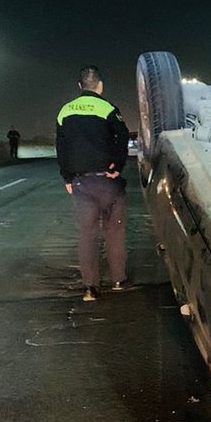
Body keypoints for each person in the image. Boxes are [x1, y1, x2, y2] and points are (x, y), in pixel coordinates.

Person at [56, 65, 130, 302]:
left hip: (81, 183)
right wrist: (117, 167)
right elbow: (123, 137)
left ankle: (90, 288)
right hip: (108, 182)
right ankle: (118, 280)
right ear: (100, 86)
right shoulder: (107, 108)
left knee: (87, 235)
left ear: (80, 86)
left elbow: (61, 148)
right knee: (114, 231)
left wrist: (67, 177)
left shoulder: (65, 112)